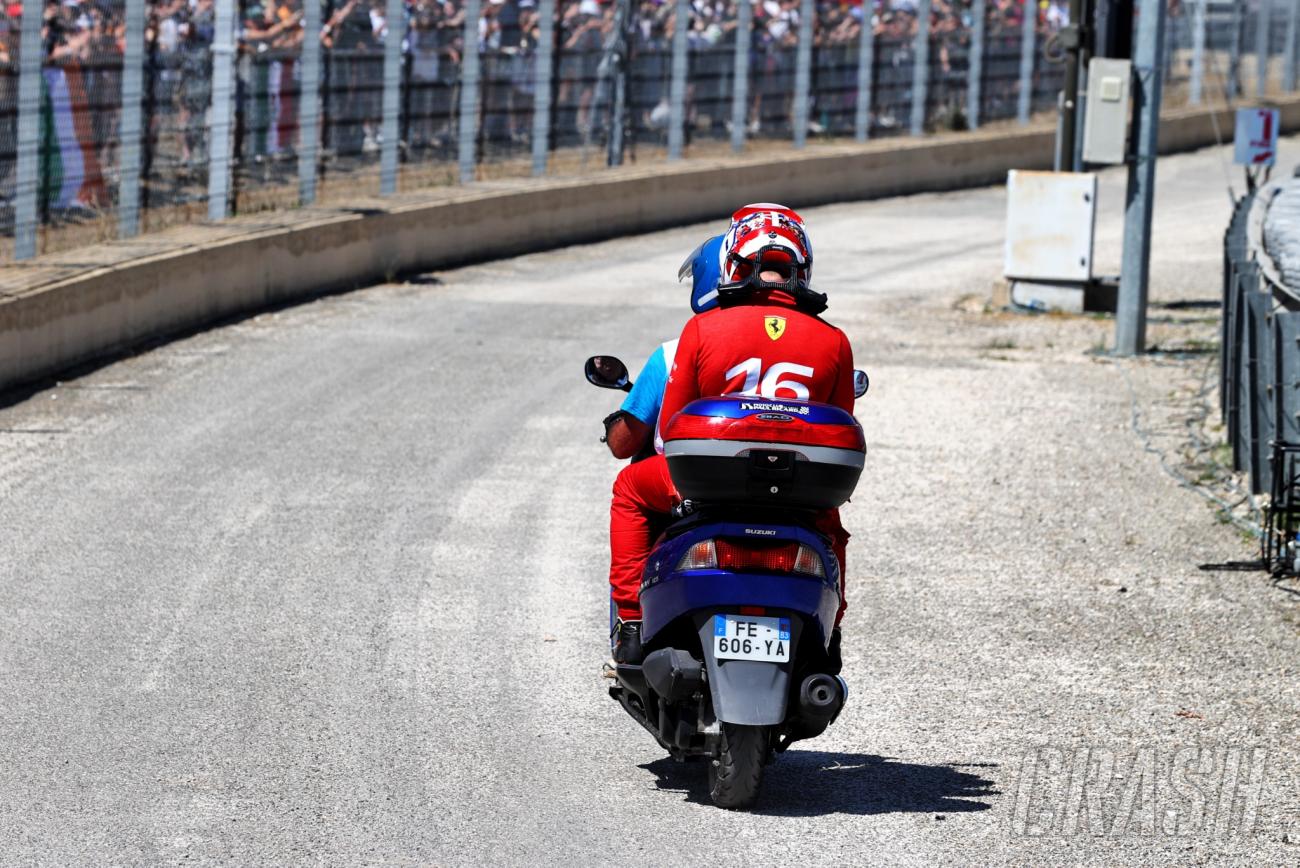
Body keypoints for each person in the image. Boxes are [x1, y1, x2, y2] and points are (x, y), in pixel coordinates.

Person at [608, 204, 855, 666]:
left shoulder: (703, 329)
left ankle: (631, 622)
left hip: (704, 483)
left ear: (733, 263)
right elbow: (841, 426)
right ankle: (831, 635)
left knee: (628, 489)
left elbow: (672, 424)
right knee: (832, 531)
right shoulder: (834, 340)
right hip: (799, 490)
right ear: (802, 267)